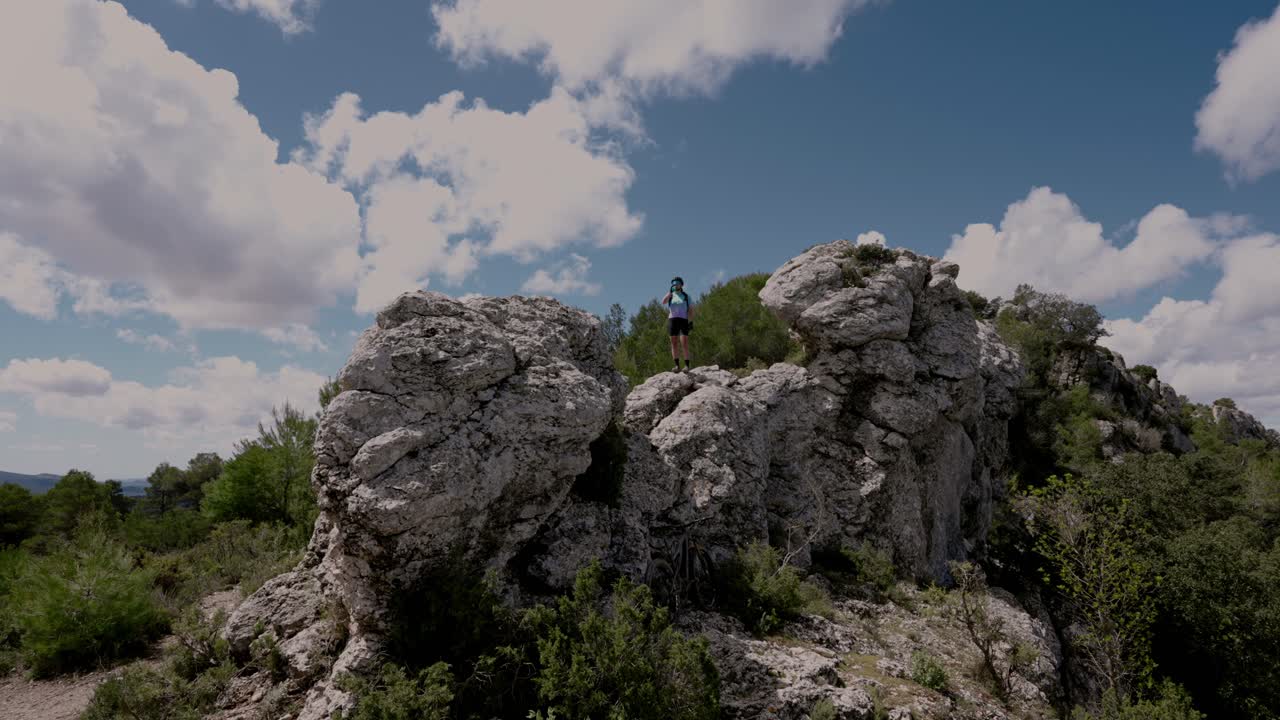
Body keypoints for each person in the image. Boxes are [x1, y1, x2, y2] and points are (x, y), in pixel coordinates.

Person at [662, 276, 693, 372]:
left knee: (684, 343)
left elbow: (691, 310)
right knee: (674, 343)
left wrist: (691, 321)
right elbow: (663, 302)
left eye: (677, 284)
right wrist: (669, 293)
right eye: (674, 284)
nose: (675, 285)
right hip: (672, 320)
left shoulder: (686, 296)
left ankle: (687, 366)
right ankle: (677, 366)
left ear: (681, 285)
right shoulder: (671, 295)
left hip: (683, 320)